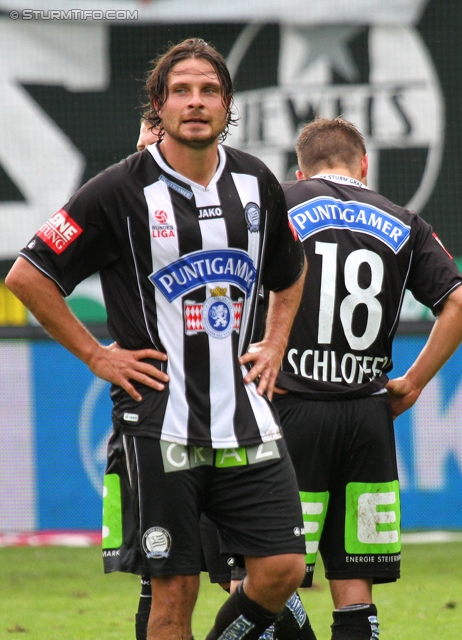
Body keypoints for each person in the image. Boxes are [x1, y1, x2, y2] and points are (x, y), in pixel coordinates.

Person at [5, 38, 308, 640]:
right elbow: (27, 274)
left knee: (282, 570)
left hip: (246, 417)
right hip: (161, 424)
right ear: (159, 105)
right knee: (175, 593)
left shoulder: (256, 182)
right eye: (181, 91)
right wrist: (96, 354)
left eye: (209, 91)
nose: (195, 103)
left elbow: (290, 271)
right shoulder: (118, 189)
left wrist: (273, 344)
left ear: (227, 105)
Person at [272, 117, 462, 640]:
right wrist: (417, 381)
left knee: (261, 573)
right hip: (368, 416)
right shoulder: (404, 220)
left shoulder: (279, 203)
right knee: (355, 581)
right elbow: (458, 302)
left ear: (299, 168)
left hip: (292, 407)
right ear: (364, 165)